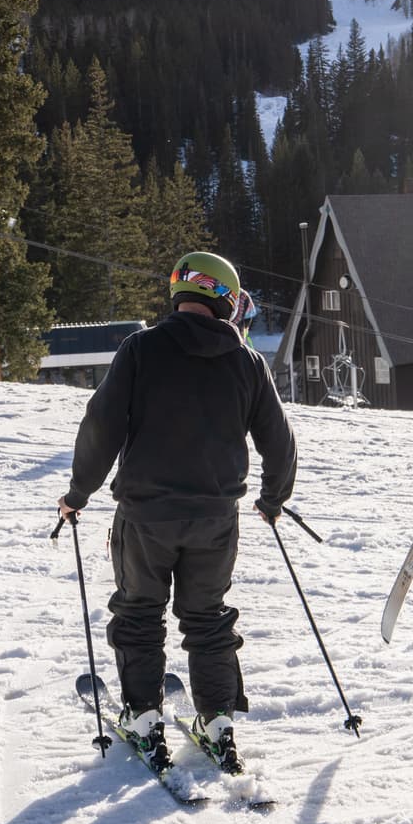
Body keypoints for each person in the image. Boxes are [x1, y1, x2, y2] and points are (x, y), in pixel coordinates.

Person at [58, 252, 297, 774]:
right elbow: (279, 441)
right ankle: (218, 725)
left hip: (145, 517)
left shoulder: (140, 349)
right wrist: (272, 499)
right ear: (226, 297)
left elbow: (101, 426)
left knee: (140, 615)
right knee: (208, 619)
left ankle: (144, 720)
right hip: (216, 519)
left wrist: (79, 493)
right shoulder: (247, 361)